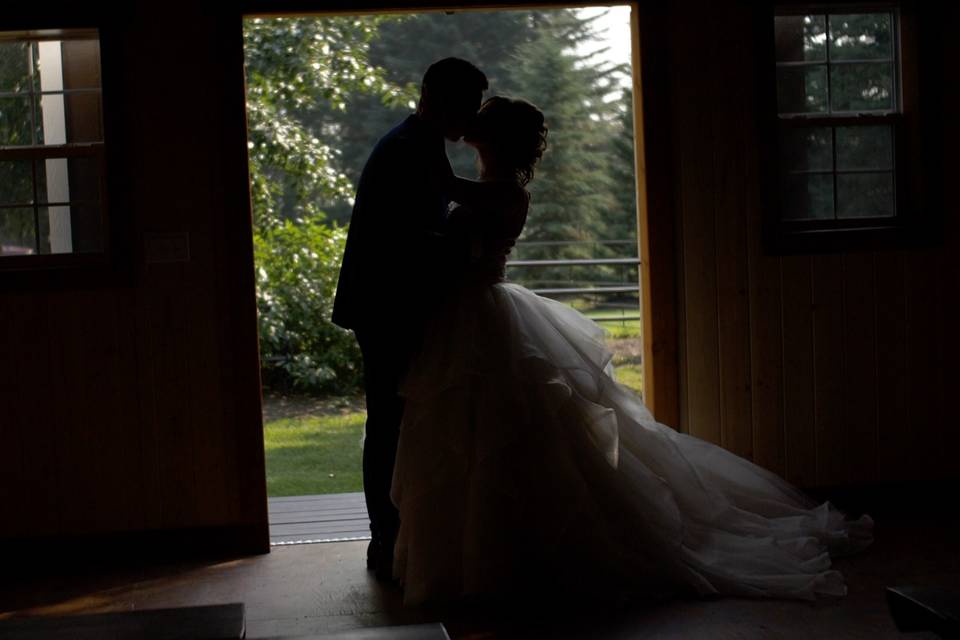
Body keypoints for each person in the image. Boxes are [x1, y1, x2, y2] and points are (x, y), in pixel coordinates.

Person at [388, 96, 874, 606]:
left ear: (497, 139)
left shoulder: (502, 193)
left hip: (481, 312)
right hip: (474, 312)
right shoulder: (494, 189)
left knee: (509, 432)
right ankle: (485, 548)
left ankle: (509, 555)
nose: (473, 125)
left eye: (482, 121)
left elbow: (444, 200)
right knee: (483, 432)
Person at [331, 57, 488, 579]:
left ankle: (402, 533)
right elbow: (408, 241)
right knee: (389, 424)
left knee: (398, 422)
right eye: (467, 106)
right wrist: (465, 242)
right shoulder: (406, 150)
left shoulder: (419, 145)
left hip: (391, 305)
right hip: (386, 309)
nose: (470, 118)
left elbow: (441, 203)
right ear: (442, 100)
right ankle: (386, 538)